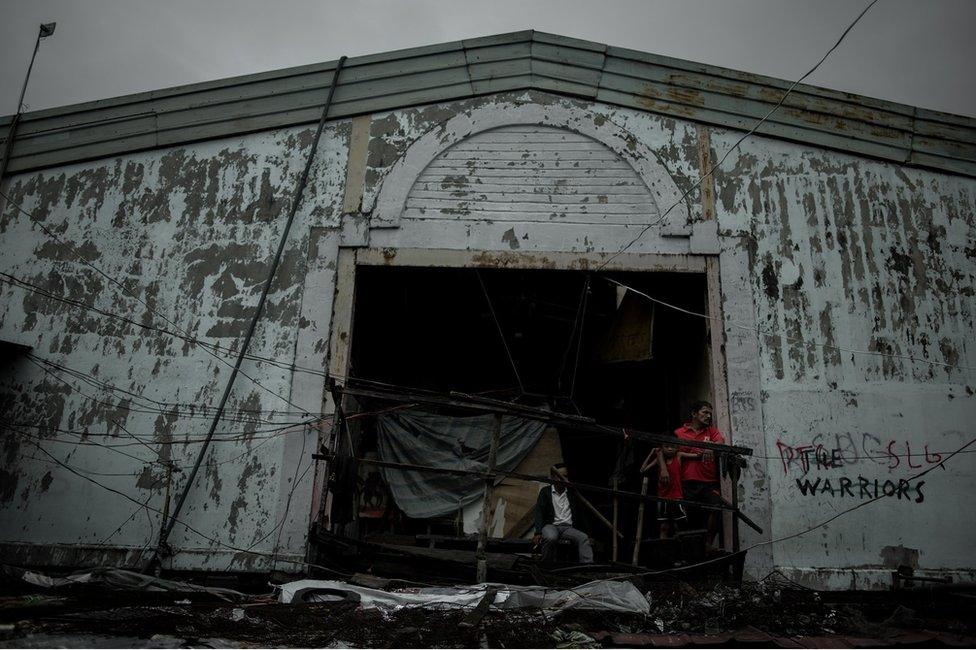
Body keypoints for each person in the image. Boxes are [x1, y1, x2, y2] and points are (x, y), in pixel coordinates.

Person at [663, 401, 725, 550]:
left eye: (710, 413)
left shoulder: (712, 432)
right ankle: (686, 551)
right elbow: (664, 450)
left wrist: (711, 446)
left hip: (709, 482)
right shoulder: (679, 433)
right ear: (694, 414)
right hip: (685, 482)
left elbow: (721, 442)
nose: (708, 416)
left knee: (717, 507)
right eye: (704, 412)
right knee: (685, 518)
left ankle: (708, 544)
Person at [532, 464, 593, 564]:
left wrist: (589, 533)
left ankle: (587, 567)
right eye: (560, 476)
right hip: (551, 525)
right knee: (550, 538)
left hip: (568, 528)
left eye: (565, 476)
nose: (563, 479)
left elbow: (582, 513)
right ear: (553, 477)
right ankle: (546, 565)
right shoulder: (545, 492)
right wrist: (538, 532)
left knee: (584, 538)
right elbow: (539, 511)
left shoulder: (571, 492)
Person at [640, 443, 690, 539]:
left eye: (673, 447)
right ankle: (664, 550)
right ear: (662, 448)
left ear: (677, 448)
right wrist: (651, 453)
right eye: (667, 447)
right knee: (664, 527)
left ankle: (680, 549)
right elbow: (642, 470)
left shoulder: (678, 456)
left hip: (677, 497)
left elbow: (696, 455)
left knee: (679, 526)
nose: (670, 449)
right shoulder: (658, 461)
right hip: (663, 498)